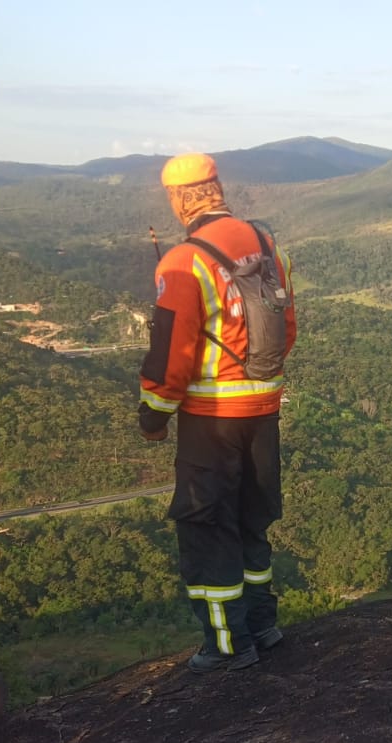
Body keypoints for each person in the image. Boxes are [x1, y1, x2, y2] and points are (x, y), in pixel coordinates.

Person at [139, 153, 296, 674]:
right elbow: (286, 328)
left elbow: (170, 358)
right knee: (252, 520)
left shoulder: (183, 261)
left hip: (211, 422)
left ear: (180, 198)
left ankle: (227, 645)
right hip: (264, 410)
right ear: (218, 188)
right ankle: (263, 625)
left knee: (207, 529)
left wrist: (154, 416)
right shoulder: (266, 244)